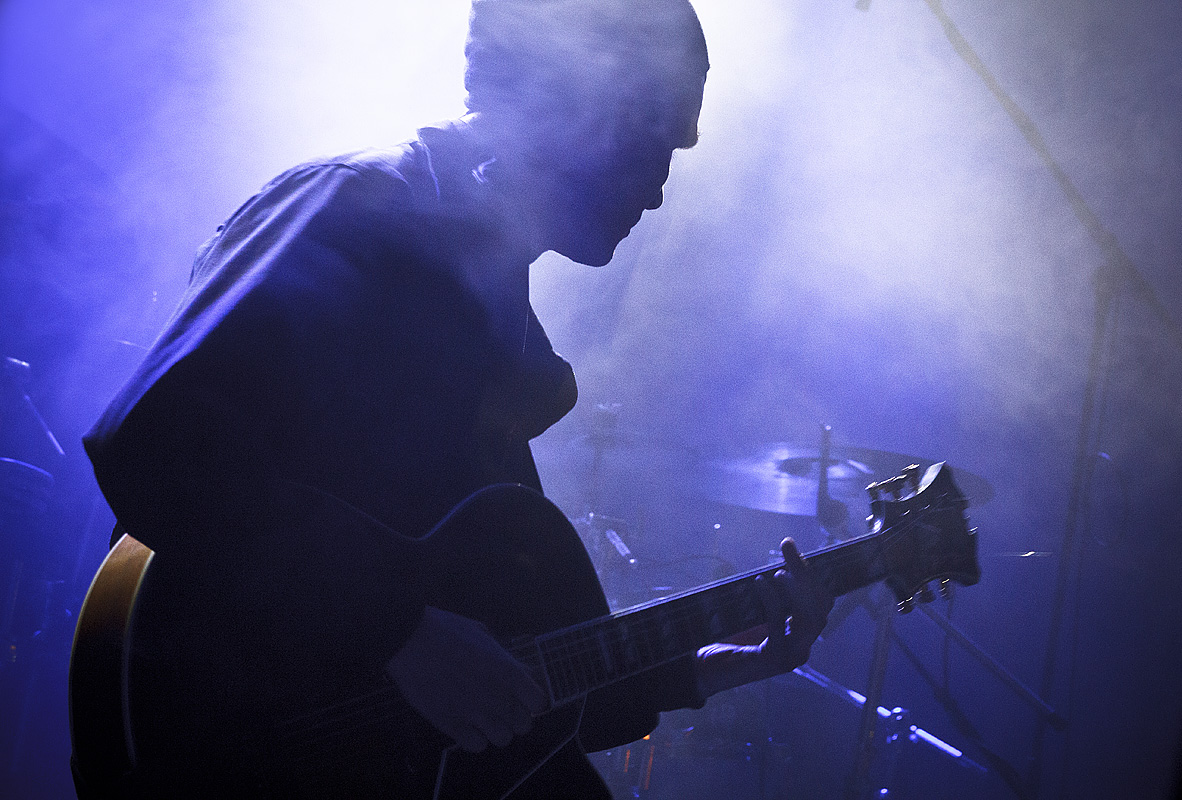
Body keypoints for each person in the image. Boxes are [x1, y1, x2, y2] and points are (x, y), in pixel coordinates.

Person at [74, 0, 833, 797]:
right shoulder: (361, 209)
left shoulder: (495, 313)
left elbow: (514, 677)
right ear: (568, 101)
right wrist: (397, 629)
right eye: (654, 146)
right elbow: (154, 442)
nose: (658, 193)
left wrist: (719, 663)